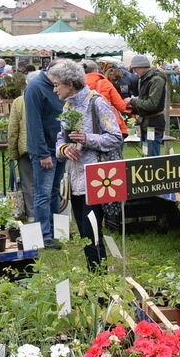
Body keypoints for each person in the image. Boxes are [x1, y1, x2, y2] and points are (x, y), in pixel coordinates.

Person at [51, 60, 124, 270]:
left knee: (92, 234)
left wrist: (86, 139)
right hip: (75, 182)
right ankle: (95, 280)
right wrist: (64, 150)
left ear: (71, 84)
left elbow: (115, 137)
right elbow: (60, 140)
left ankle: (100, 280)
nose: (55, 90)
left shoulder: (97, 103)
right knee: (84, 233)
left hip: (96, 179)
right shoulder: (67, 106)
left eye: (57, 85)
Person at [25, 60, 68, 248]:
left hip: (58, 148)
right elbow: (34, 124)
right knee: (43, 193)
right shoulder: (36, 87)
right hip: (45, 150)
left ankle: (56, 231)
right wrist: (43, 154)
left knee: (54, 191)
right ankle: (44, 235)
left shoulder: (55, 86)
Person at [2, 72, 34, 219]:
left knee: (28, 183)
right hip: (47, 149)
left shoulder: (19, 101)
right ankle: (51, 215)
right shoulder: (51, 97)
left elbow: (13, 129)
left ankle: (32, 214)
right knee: (47, 183)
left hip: (26, 148)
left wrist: (13, 153)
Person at [128, 55, 168, 157]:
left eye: (135, 69)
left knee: (153, 160)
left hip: (154, 124)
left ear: (141, 67)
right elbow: (144, 102)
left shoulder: (156, 80)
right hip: (145, 124)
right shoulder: (145, 79)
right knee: (146, 158)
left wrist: (133, 101)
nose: (135, 72)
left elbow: (152, 104)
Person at [82, 59, 130, 138]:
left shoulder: (77, 84)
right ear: (96, 70)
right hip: (107, 124)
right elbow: (121, 106)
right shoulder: (105, 83)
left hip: (86, 126)